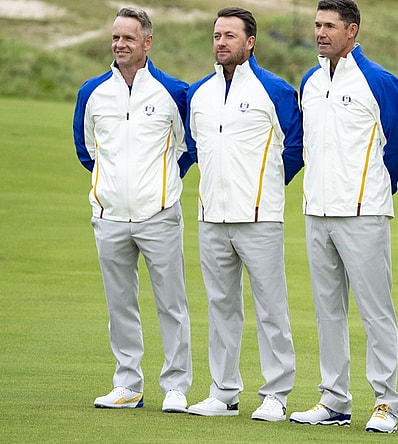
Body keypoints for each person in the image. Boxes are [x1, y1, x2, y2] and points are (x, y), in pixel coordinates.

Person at [288, 0, 398, 434]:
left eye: (329, 26)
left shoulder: (379, 81)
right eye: (317, 25)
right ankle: (334, 399)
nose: (320, 33)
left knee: (376, 311)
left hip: (362, 213)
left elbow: (397, 147)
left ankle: (386, 402)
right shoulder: (310, 80)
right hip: (316, 212)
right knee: (328, 311)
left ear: (352, 30)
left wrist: (373, 191)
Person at [184, 7, 303, 421]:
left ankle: (276, 394)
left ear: (249, 43)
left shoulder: (275, 90)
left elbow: (295, 147)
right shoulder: (199, 93)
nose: (221, 42)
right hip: (211, 217)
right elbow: (195, 145)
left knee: (271, 308)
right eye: (217, 35)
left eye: (230, 36)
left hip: (259, 218)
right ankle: (223, 392)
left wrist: (266, 187)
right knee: (221, 307)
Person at [73, 6, 193, 414]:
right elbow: (87, 149)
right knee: (119, 305)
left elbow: (187, 147)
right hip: (109, 217)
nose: (120, 44)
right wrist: (112, 187)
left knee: (171, 305)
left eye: (128, 37)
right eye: (115, 37)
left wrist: (158, 185)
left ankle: (176, 386)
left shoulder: (173, 91)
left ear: (147, 41)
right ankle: (127, 385)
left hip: (158, 215)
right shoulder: (92, 92)